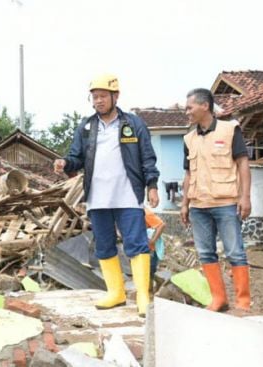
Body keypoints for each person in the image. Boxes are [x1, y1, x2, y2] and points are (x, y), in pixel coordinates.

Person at [54, 74, 160, 317]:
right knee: (104, 244)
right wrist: (65, 163)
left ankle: (143, 295)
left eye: (102, 96)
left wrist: (152, 185)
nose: (98, 101)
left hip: (128, 195)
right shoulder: (86, 127)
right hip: (98, 197)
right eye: (94, 97)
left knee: (136, 243)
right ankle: (116, 292)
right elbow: (76, 157)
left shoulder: (133, 124)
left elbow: (147, 156)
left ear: (115, 96)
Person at [180, 88, 252, 313]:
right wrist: (184, 203)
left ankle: (243, 302)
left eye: (190, 107)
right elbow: (188, 174)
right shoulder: (188, 138)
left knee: (235, 252)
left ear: (205, 106)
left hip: (226, 203)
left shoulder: (230, 129)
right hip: (198, 206)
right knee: (206, 253)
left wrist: (245, 197)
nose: (187, 112)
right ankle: (219, 299)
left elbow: (242, 164)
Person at [144, 208, 166, 282]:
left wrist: (153, 240)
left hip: (150, 249)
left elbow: (161, 225)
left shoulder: (144, 212)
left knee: (150, 271)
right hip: (141, 247)